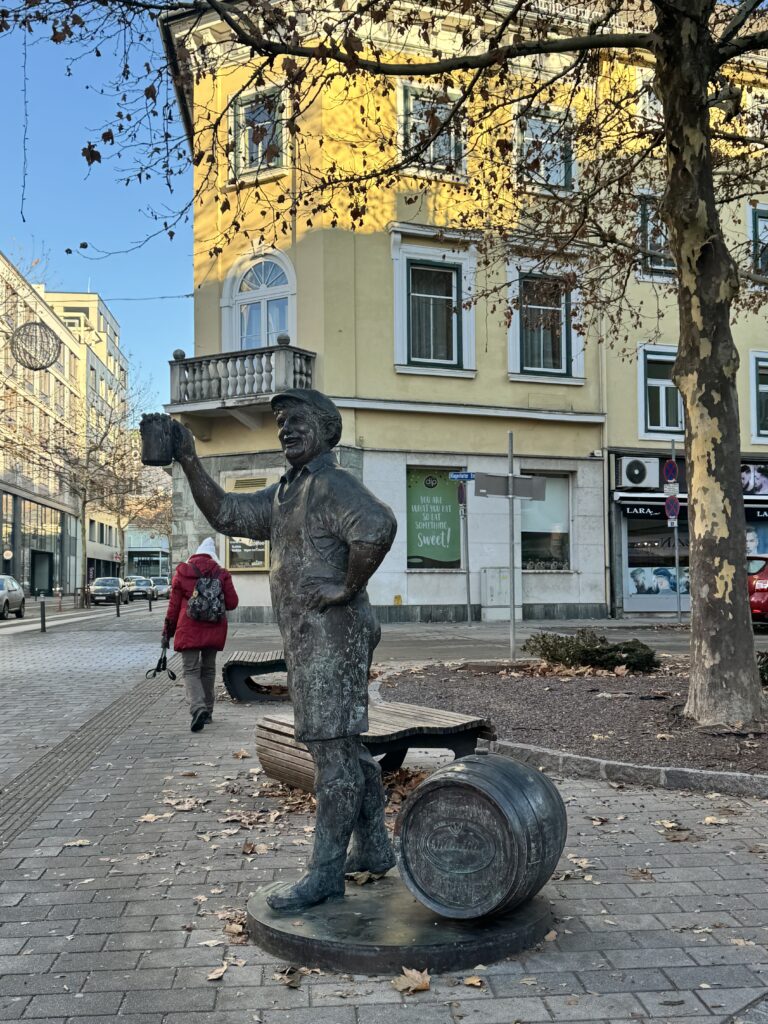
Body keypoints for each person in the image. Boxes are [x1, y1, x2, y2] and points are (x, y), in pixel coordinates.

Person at [159, 389, 397, 913]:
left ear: (327, 430)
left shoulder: (330, 484)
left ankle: (324, 874)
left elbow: (378, 527)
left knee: (332, 756)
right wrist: (189, 459)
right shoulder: (289, 491)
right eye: (282, 422)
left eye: (298, 420)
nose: (286, 429)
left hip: (333, 638)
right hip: (314, 639)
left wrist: (346, 588)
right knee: (345, 748)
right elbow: (225, 513)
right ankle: (375, 848)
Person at [162, 538, 239, 733]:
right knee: (208, 670)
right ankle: (208, 712)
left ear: (195, 554)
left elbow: (173, 607)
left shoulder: (182, 572)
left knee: (190, 670)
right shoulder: (222, 574)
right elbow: (232, 603)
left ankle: (198, 708)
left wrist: (167, 633)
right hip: (214, 627)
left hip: (188, 628)